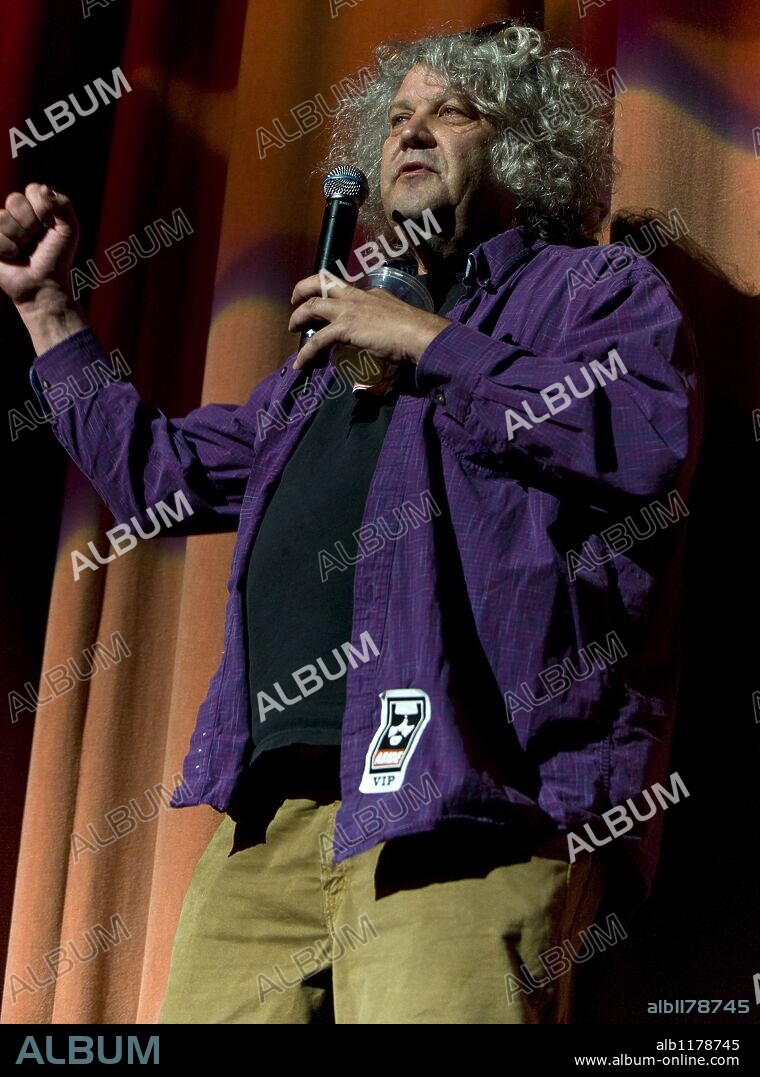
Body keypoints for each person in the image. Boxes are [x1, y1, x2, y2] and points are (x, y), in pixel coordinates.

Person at [0, 21, 701, 1024]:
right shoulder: (330, 357)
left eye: (451, 112)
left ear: (531, 151)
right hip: (274, 826)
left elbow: (642, 434)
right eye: (398, 118)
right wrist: (50, 317)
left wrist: (429, 342)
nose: (412, 133)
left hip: (470, 808)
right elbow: (164, 479)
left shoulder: (590, 292)